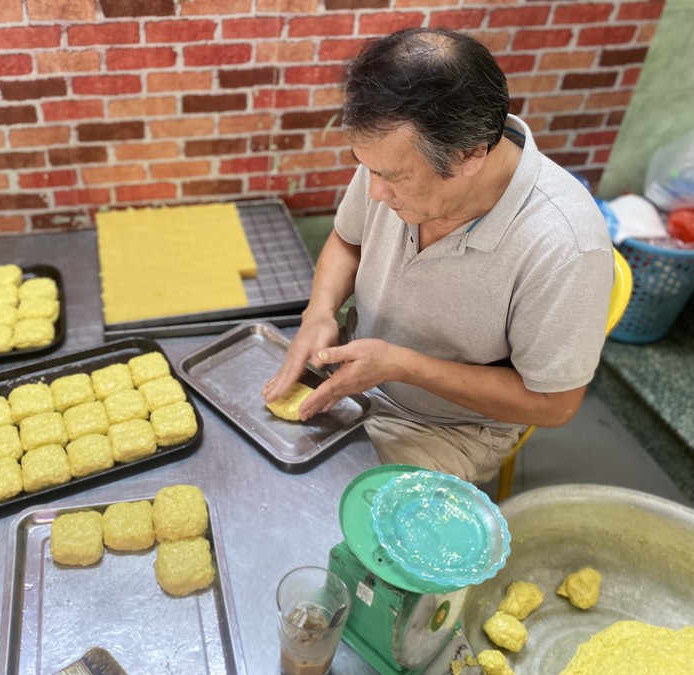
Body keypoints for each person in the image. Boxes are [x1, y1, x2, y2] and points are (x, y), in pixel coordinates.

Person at [262, 28, 614, 484]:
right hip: (354, 373)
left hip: (450, 426)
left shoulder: (566, 245)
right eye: (368, 168)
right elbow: (347, 241)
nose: (375, 192)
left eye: (393, 178)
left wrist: (402, 365)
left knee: (343, 531)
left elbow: (555, 403)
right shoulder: (392, 156)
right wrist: (320, 311)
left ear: (470, 155)